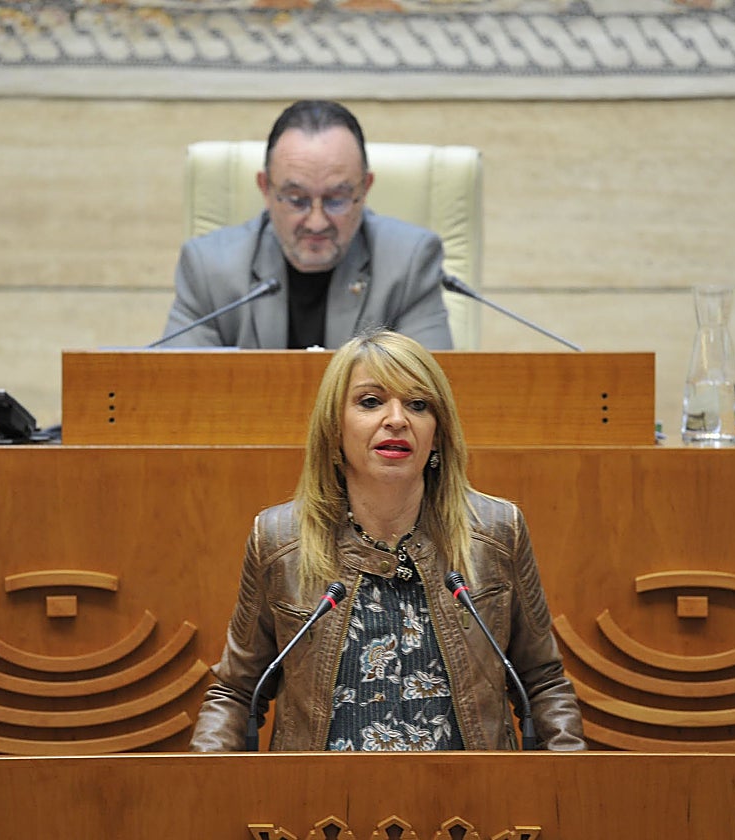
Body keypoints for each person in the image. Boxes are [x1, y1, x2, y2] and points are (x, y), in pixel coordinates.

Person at [190, 330, 585, 751]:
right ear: (334, 427)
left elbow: (542, 682)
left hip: (471, 804)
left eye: (418, 405)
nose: (397, 419)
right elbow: (235, 693)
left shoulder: (495, 532)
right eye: (370, 402)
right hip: (318, 805)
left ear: (437, 432)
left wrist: (557, 793)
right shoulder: (280, 540)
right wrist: (212, 792)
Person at [158, 100, 454, 350]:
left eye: (336, 199)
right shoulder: (208, 268)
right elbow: (180, 394)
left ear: (365, 188)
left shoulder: (410, 262)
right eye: (296, 199)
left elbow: (426, 395)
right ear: (265, 189)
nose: (316, 222)